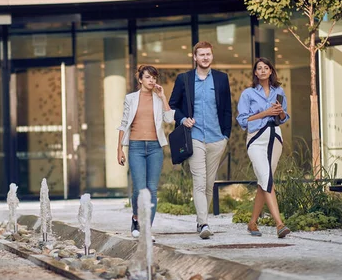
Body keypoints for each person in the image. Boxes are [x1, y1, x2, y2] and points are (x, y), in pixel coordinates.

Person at [169, 41, 232, 239]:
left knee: (208, 183)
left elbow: (227, 108)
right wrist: (182, 119)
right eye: (201, 54)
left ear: (211, 56)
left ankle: (200, 221)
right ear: (195, 57)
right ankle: (204, 223)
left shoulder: (222, 79)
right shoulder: (184, 79)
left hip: (216, 138)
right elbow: (172, 106)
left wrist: (226, 136)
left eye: (208, 54)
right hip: (194, 136)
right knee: (199, 181)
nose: (205, 57)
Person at [117, 65, 175, 239]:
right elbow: (123, 123)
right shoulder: (131, 98)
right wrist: (119, 149)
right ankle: (136, 218)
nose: (152, 81)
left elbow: (170, 120)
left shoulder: (158, 99)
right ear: (140, 79)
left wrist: (163, 97)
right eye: (148, 77)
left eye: (154, 78)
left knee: (152, 189)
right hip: (136, 147)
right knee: (139, 189)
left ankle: (146, 229)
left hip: (155, 148)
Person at [237, 57, 291, 238]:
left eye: (265, 68)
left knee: (264, 180)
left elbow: (284, 117)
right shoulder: (248, 93)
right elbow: (242, 120)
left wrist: (280, 112)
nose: (262, 71)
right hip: (256, 140)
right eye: (258, 68)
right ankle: (279, 224)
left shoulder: (279, 91)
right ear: (255, 72)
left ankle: (252, 223)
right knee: (267, 178)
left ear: (270, 71)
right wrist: (265, 113)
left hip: (275, 138)